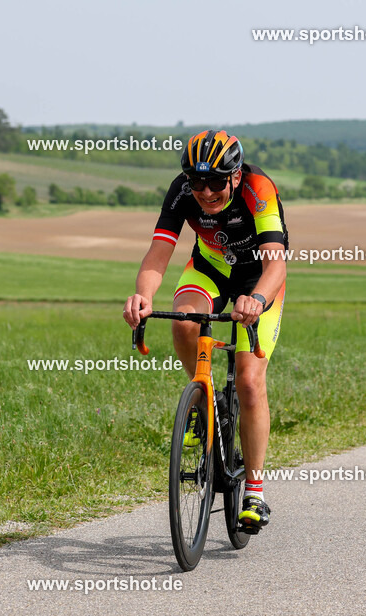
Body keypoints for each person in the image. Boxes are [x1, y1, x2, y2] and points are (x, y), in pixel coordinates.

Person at [123, 130, 287, 533]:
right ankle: (204, 395)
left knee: (249, 382)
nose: (207, 192)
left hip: (257, 281)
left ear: (234, 176)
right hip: (210, 268)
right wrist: (143, 296)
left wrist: (259, 301)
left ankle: (254, 491)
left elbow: (276, 265)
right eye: (198, 183)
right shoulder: (182, 192)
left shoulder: (258, 189)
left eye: (216, 182)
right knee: (184, 321)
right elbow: (158, 253)